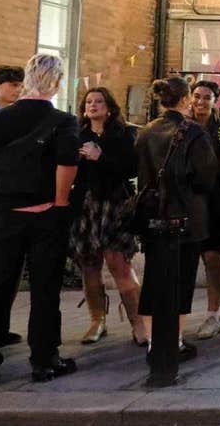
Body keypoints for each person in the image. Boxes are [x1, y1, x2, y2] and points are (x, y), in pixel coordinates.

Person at [0, 54, 79, 389]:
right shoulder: (63, 121)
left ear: (27, 79)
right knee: (45, 289)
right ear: (56, 82)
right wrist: (59, 203)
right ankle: (44, 360)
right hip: (46, 216)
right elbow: (67, 162)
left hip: (4, 215)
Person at [136, 78, 218, 365]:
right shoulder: (194, 133)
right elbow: (206, 178)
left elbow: (141, 172)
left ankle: (151, 342)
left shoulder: (146, 132)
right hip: (187, 218)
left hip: (153, 216)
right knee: (181, 281)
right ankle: (177, 341)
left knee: (153, 280)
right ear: (185, 99)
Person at [70, 87, 147, 346]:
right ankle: (97, 320)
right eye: (89, 101)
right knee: (89, 264)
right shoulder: (76, 135)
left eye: (99, 101)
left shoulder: (125, 135)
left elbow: (131, 168)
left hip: (115, 205)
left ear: (109, 107)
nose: (93, 105)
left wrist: (100, 157)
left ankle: (139, 323)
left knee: (119, 264)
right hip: (85, 206)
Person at [188, 81, 220, 340]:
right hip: (185, 199)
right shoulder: (182, 126)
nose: (200, 102)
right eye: (197, 96)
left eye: (206, 97)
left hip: (213, 200)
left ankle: (213, 314)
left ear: (215, 101)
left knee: (211, 255)